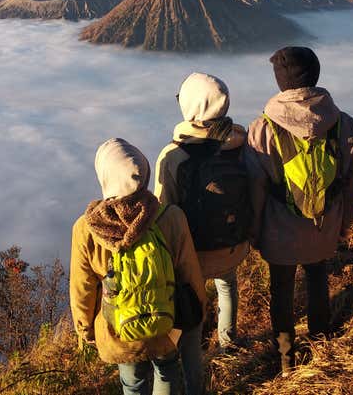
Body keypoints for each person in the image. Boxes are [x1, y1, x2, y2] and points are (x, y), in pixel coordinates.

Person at [246, 46, 353, 375]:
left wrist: (254, 232)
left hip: (279, 231)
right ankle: (320, 340)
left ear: (280, 81)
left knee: (281, 291)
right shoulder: (343, 123)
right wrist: (345, 223)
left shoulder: (262, 129)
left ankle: (286, 359)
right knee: (317, 279)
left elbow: (256, 188)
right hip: (324, 225)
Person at [70, 138, 207, 395]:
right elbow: (189, 272)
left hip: (118, 329)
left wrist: (85, 330)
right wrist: (199, 310)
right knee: (167, 370)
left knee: (133, 383)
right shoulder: (170, 217)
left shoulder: (86, 229)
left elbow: (82, 288)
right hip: (166, 319)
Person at [154, 73, 253, 393]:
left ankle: (194, 383)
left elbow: (162, 211)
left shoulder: (173, 155)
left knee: (192, 318)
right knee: (227, 286)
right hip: (233, 246)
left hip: (192, 256)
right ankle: (228, 344)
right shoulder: (241, 144)